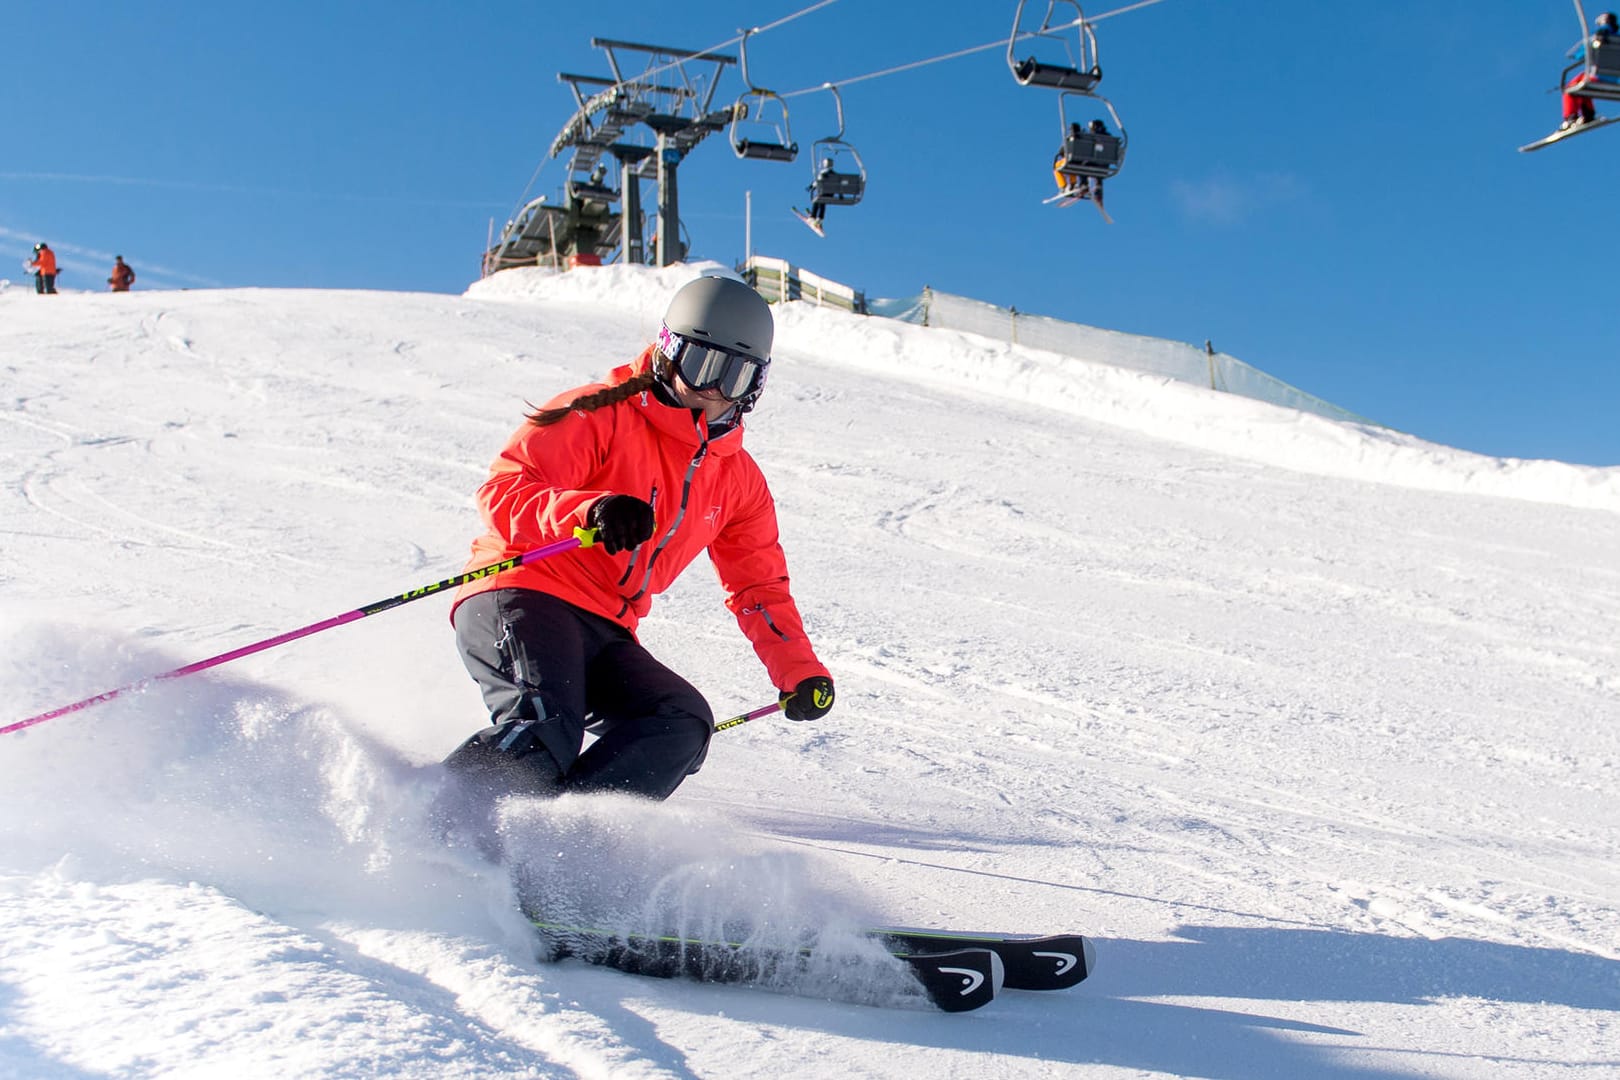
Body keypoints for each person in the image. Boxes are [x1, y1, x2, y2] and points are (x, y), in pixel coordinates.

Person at [440, 275, 836, 834]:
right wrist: (589, 511)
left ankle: (558, 856)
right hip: (523, 592)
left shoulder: (737, 481)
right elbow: (504, 489)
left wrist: (799, 672)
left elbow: (758, 588)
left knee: (679, 722)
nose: (714, 389)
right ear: (669, 349)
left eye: (736, 374)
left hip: (608, 627)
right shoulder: (600, 413)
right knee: (545, 729)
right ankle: (429, 830)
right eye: (702, 364)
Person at [1560, 11, 1618, 129]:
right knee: (1583, 84)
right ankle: (1588, 115)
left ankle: (1570, 118)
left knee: (1571, 88)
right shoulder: (1617, 39)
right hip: (1613, 79)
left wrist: (1576, 54)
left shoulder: (1599, 38)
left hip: (1598, 77)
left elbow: (1583, 54)